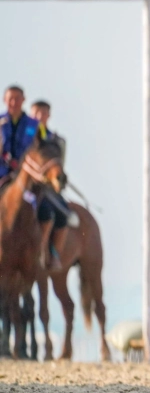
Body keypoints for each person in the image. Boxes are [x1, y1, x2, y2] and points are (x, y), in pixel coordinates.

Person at [29, 99, 77, 269]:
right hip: (25, 185)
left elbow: (59, 166)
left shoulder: (55, 140)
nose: (39, 116)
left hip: (47, 189)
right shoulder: (25, 135)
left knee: (62, 214)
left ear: (48, 115)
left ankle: (51, 253)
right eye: (36, 112)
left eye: (43, 113)